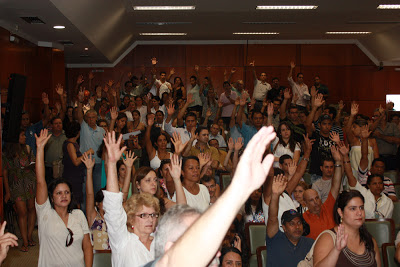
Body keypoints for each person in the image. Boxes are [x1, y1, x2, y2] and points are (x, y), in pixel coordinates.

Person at [156, 126, 277, 267]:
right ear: (181, 172)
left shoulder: (203, 188)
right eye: (191, 168)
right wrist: (176, 153)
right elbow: (171, 179)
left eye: (197, 167)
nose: (195, 171)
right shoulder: (177, 188)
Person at [35, 129, 93, 266]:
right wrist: (40, 150)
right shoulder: (45, 214)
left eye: (66, 192)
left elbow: (87, 246)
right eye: (59, 193)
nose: (63, 196)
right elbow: (40, 182)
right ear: (51, 196)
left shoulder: (78, 215)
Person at [102, 132, 160, 266]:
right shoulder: (122, 241)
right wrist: (111, 164)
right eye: (144, 215)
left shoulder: (160, 243)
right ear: (132, 218)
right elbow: (113, 206)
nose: (150, 219)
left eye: (153, 215)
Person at [313, 190, 381, 267]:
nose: (359, 213)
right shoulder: (328, 238)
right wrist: (336, 250)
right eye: (353, 209)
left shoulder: (370, 240)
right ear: (340, 212)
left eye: (361, 208)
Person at [266, 175, 314, 267]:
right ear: (284, 227)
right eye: (292, 224)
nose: (297, 227)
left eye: (299, 223)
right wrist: (275, 195)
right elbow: (272, 218)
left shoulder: (310, 243)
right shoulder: (275, 240)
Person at [341, 138, 394, 219]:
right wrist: (345, 156)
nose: (378, 186)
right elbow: (350, 175)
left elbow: (386, 223)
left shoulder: (388, 202)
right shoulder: (363, 193)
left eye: (380, 183)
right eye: (374, 183)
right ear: (368, 185)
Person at [3, 130, 36, 252]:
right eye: (22, 135)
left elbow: (34, 163)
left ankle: (29, 236)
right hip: (16, 185)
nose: (25, 137)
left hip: (30, 182)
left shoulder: (27, 149)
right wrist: (7, 192)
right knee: (22, 212)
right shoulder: (7, 153)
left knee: (32, 208)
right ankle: (25, 241)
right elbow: (5, 173)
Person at [302, 145, 343, 240]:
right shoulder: (303, 219)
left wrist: (337, 161)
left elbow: (336, 185)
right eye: (311, 200)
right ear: (305, 203)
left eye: (317, 198)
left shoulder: (328, 208)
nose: (316, 202)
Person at [77, 89, 106, 194]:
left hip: (98, 164)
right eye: (88, 118)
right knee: (85, 191)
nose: (91, 120)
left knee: (98, 190)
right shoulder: (84, 127)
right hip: (85, 163)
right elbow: (79, 116)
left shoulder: (102, 130)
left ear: (96, 118)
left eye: (93, 117)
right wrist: (80, 102)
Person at [62, 121, 94, 208]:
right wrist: (88, 152)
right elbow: (76, 161)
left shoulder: (73, 143)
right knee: (75, 201)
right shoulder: (70, 145)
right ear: (77, 132)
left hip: (76, 176)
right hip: (72, 177)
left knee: (76, 199)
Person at [44, 116, 67, 183]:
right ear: (51, 125)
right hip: (49, 167)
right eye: (56, 123)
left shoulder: (66, 135)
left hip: (63, 167)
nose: (58, 125)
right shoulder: (47, 136)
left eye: (60, 123)